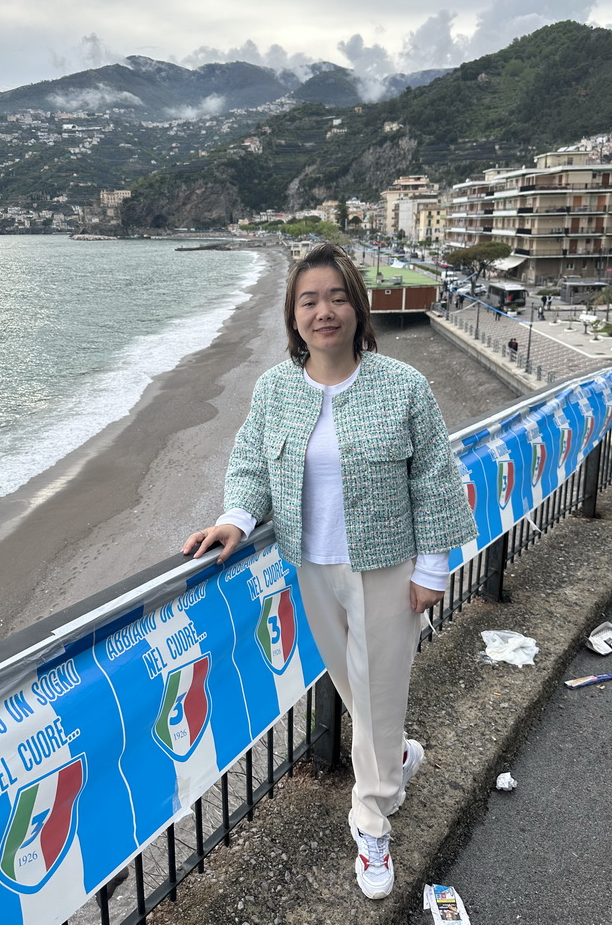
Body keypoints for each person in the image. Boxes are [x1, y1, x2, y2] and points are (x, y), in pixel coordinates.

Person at [183, 243, 476, 901]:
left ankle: (371, 819)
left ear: (357, 306)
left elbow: (435, 480)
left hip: (385, 564)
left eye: (337, 296)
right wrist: (235, 517)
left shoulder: (403, 387)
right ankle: (394, 756)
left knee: (375, 694)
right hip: (309, 565)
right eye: (309, 300)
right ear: (292, 315)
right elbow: (252, 463)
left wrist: (432, 566)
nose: (325, 311)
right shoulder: (274, 389)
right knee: (353, 685)